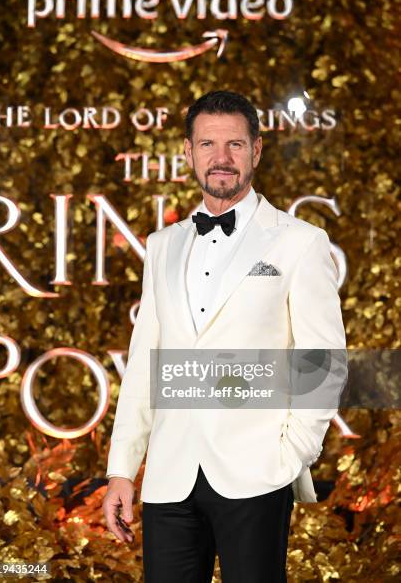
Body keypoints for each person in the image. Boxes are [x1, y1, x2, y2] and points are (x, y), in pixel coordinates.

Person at [102, 90, 347, 582]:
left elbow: (322, 360)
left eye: (234, 145)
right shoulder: (162, 246)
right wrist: (122, 470)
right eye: (208, 144)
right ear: (188, 153)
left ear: (256, 151)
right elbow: (146, 363)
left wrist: (292, 452)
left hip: (257, 472)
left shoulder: (300, 242)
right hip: (170, 479)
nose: (221, 158)